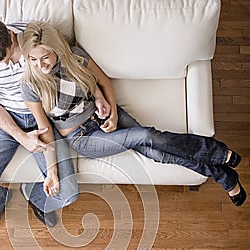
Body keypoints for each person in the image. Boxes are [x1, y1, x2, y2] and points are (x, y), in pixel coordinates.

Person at [20, 21, 246, 207]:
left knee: (157, 154)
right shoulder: (30, 85)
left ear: (56, 50)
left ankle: (225, 177)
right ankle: (218, 152)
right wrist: (52, 171)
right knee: (146, 136)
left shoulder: (75, 57)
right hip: (83, 138)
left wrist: (110, 111)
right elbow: (45, 129)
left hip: (105, 115)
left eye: (46, 57)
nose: (41, 65)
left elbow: (103, 82)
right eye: (33, 59)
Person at [0, 20, 78, 237]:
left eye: (9, 58)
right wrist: (22, 137)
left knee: (67, 194)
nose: (6, 65)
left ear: (11, 35)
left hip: (40, 115)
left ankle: (35, 197)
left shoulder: (35, 39)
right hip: (4, 117)